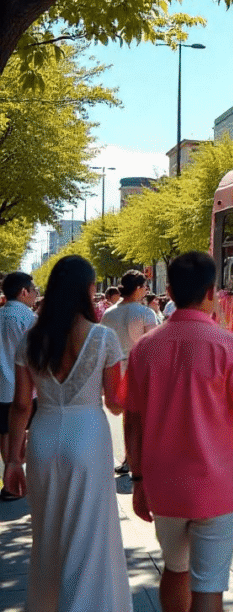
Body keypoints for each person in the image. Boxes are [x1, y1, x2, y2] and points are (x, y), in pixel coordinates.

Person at [125, 251, 233, 612]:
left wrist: (139, 480)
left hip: (164, 487)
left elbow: (132, 419)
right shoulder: (231, 347)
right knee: (208, 588)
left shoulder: (145, 349)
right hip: (216, 489)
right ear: (212, 291)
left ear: (170, 292)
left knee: (175, 569)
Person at [2, 255, 132, 609]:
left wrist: (12, 459)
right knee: (89, 538)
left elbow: (20, 406)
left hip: (43, 437)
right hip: (88, 436)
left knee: (47, 536)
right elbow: (118, 404)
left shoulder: (30, 340)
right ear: (88, 290)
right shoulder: (103, 338)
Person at [102, 269, 159, 476]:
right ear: (137, 289)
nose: (146, 290)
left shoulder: (109, 314)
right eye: (145, 287)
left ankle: (130, 458)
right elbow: (153, 345)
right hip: (140, 369)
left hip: (116, 370)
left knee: (129, 417)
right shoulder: (145, 313)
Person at [0, 272, 38, 502]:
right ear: (24, 292)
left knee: (5, 433)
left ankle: (10, 481)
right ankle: (21, 479)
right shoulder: (29, 318)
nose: (35, 295)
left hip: (2, 386)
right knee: (28, 431)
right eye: (34, 290)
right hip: (24, 385)